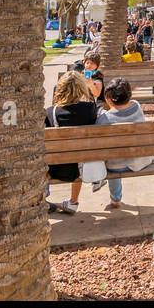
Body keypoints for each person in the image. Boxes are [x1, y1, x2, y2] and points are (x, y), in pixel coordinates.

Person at [44, 71, 100, 214]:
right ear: (82, 89)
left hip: (53, 169)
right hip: (80, 170)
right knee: (79, 156)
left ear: (60, 89)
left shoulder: (50, 112)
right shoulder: (89, 110)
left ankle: (42, 199)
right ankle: (73, 202)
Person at [96, 77, 150, 209]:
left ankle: (116, 199)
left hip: (117, 166)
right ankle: (116, 199)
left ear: (108, 98)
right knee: (117, 155)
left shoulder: (104, 119)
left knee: (113, 159)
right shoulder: (136, 106)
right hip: (141, 160)